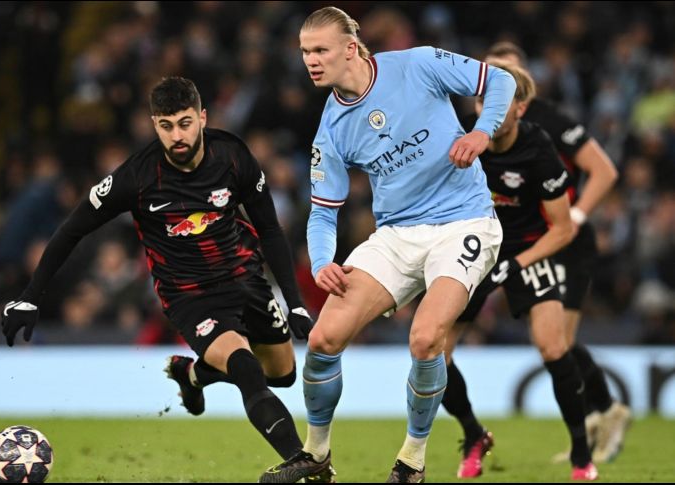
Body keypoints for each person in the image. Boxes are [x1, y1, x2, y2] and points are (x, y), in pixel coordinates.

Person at [0, 77, 331, 481]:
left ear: (202, 118)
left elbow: (271, 229)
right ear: (154, 124)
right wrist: (31, 296)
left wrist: (295, 301)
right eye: (166, 125)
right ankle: (308, 464)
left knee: (282, 375)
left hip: (246, 280)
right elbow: (72, 229)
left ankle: (192, 376)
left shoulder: (233, 156)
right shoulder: (136, 177)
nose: (178, 135)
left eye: (186, 122)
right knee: (245, 369)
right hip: (190, 296)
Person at [260, 7, 515, 483]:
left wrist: (482, 132)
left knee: (424, 338)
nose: (310, 61)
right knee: (323, 338)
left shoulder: (416, 64)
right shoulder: (332, 129)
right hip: (397, 234)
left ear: (351, 49)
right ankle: (316, 456)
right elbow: (322, 212)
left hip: (464, 223)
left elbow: (499, 80)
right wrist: (321, 262)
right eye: (305, 52)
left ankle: (411, 461)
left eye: (320, 50)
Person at [451, 41, 628, 466]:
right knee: (433, 345)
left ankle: (598, 419)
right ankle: (600, 413)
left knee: (555, 344)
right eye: (489, 81)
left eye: (509, 79)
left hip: (551, 233)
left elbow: (604, 170)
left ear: (523, 93)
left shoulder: (547, 122)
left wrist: (580, 215)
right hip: (491, 239)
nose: (497, 92)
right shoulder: (466, 128)